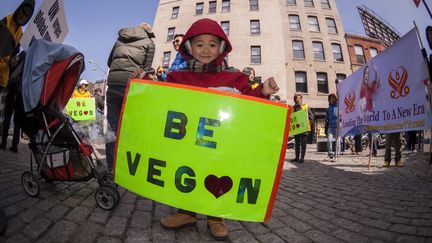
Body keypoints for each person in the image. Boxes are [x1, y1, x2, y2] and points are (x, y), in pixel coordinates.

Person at [159, 18, 279, 240]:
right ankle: (186, 212)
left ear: (222, 48)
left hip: (219, 144)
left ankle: (216, 217)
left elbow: (249, 100)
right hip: (187, 141)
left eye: (212, 44)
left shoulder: (234, 78)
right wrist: (140, 84)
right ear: (188, 47)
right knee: (186, 171)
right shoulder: (176, 77)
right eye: (199, 44)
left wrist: (263, 91)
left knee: (216, 175)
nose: (206, 50)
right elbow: (159, 100)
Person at [105, 23, 155, 171]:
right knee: (132, 127)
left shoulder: (120, 39)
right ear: (148, 31)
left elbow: (109, 61)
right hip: (131, 86)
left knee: (112, 128)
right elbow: (146, 68)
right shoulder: (149, 43)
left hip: (113, 84)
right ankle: (128, 167)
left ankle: (111, 167)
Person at [0, 0, 35, 92]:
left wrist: (13, 60)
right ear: (19, 9)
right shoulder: (6, 21)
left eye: (27, 16)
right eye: (23, 12)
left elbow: (15, 52)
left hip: (2, 79)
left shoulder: (20, 34)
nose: (23, 16)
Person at [290, 94, 313, 163]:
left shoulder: (305, 106)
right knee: (297, 144)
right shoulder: (293, 108)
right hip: (297, 129)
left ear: (301, 99)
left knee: (303, 144)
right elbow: (291, 118)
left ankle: (302, 158)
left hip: (304, 129)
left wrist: (308, 124)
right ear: (294, 99)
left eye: (299, 98)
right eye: (296, 98)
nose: (298, 99)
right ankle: (297, 157)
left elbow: (311, 116)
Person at [325, 93, 338, 161]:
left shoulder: (338, 107)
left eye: (333, 98)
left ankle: (337, 154)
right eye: (330, 98)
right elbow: (326, 117)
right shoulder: (328, 108)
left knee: (337, 141)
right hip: (330, 127)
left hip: (337, 127)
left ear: (335, 99)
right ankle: (330, 153)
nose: (331, 99)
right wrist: (326, 120)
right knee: (329, 140)